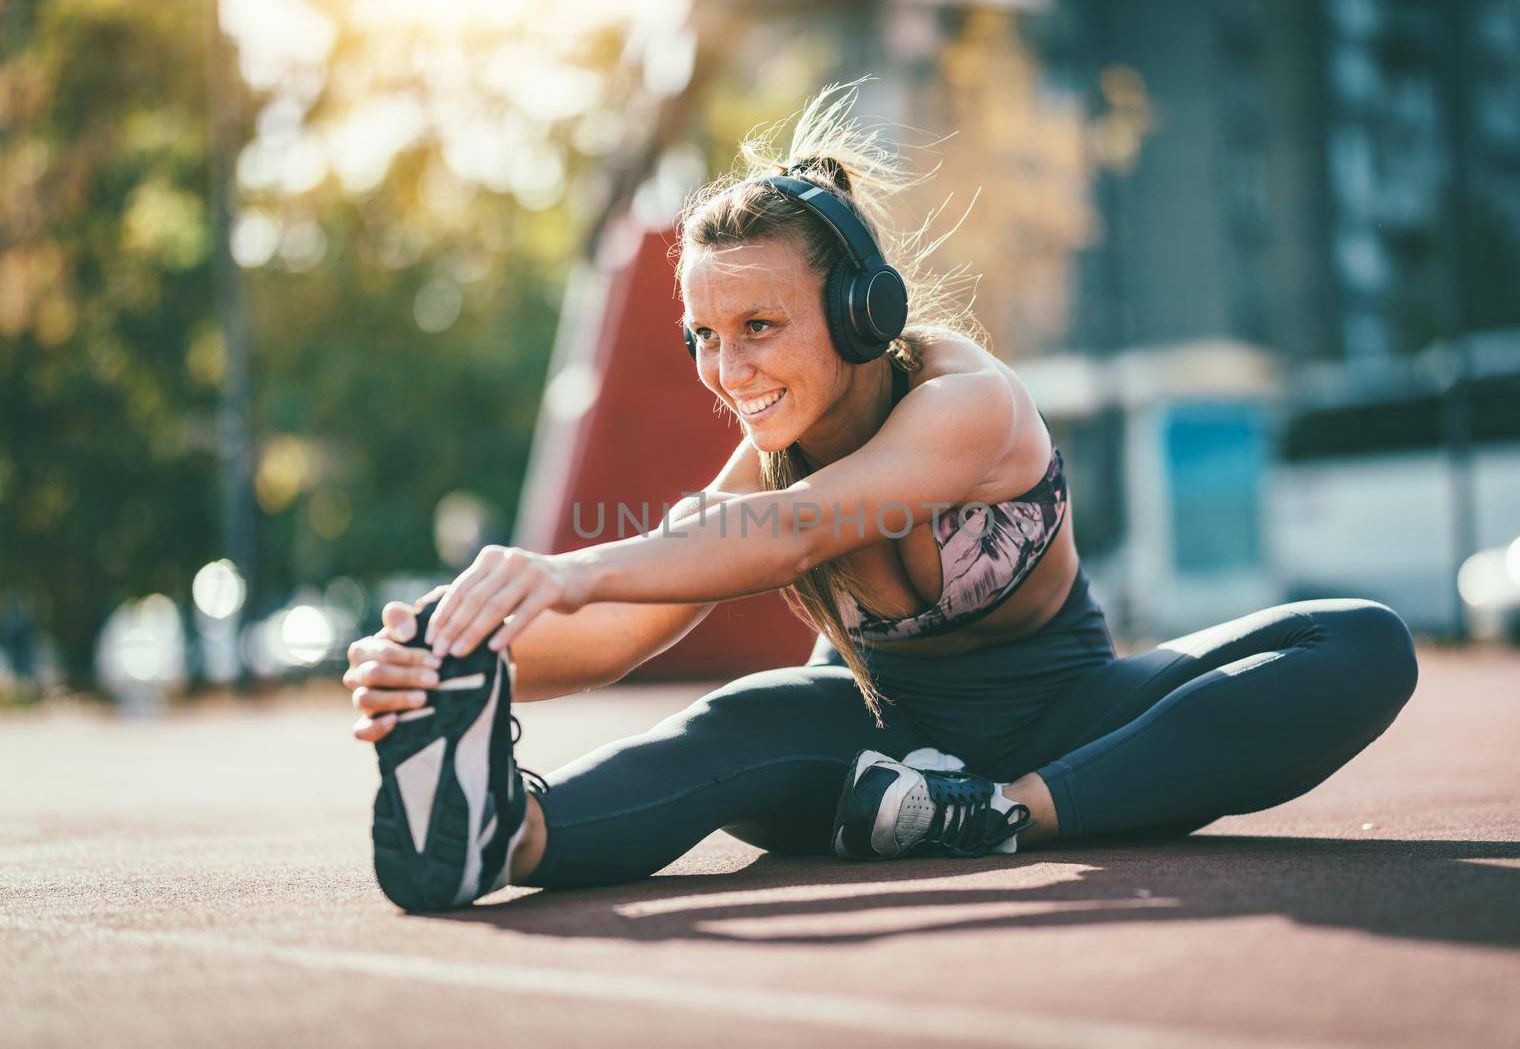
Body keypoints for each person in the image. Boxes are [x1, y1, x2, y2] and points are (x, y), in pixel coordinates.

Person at [343, 80, 1419, 912]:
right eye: (704, 338)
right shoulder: (766, 459)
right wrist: (449, 661)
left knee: (1361, 642)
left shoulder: (968, 402)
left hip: (1072, 725)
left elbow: (792, 531)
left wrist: (562, 567)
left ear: (863, 312)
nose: (728, 369)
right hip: (869, 749)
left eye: (759, 327)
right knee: (736, 724)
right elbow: (630, 625)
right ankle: (503, 832)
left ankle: (999, 816)